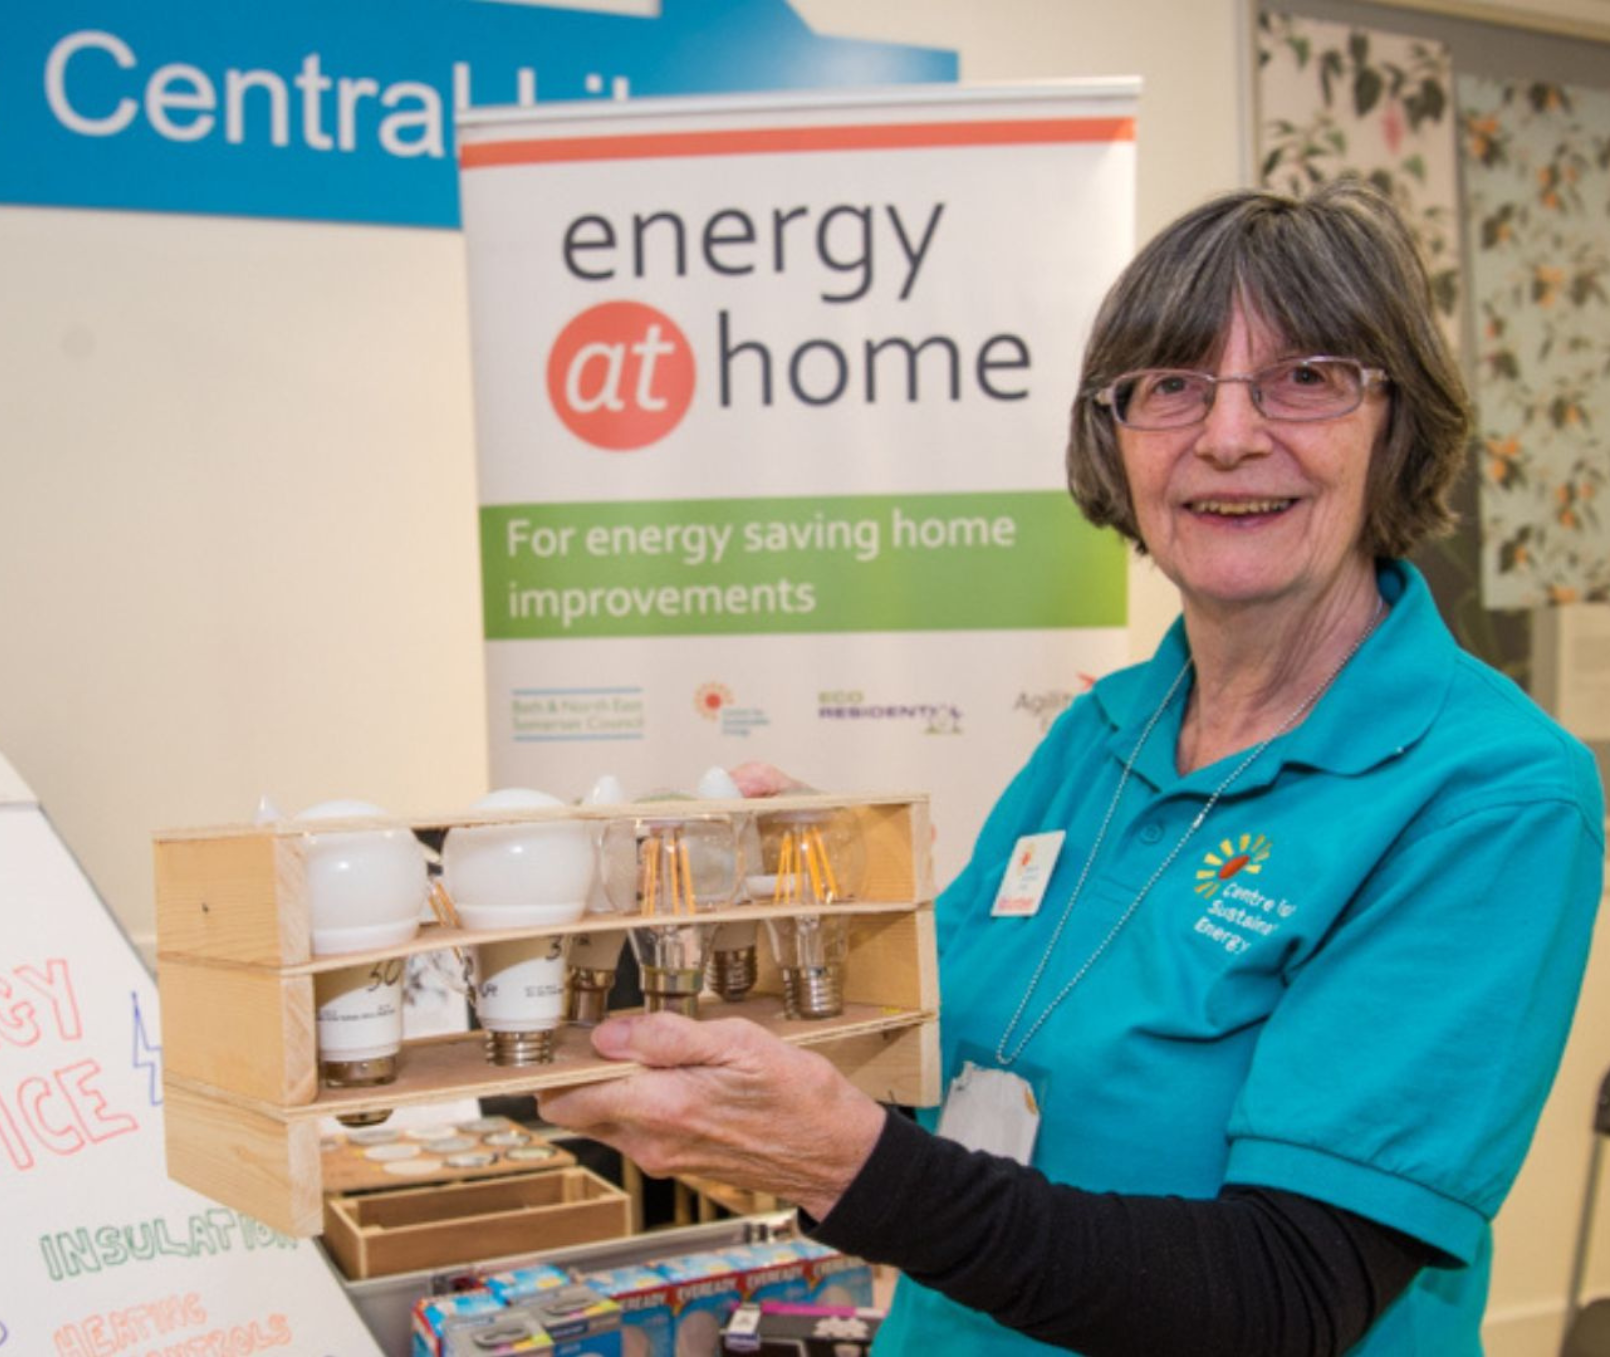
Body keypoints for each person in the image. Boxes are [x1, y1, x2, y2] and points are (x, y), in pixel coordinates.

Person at [537, 178, 1605, 1356]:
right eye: (1173, 386)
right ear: (1116, 440)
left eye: (1307, 377)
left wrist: (851, 1165)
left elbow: (1289, 1291)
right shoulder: (1105, 730)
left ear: (1396, 423)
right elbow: (943, 1048)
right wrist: (810, 917)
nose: (1230, 434)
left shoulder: (1491, 794)